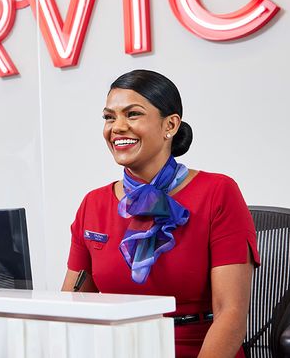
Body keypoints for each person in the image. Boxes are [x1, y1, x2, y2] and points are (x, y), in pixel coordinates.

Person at [61, 69, 259, 358]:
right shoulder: (93, 203)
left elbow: (231, 314)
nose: (117, 127)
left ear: (170, 125)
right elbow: (72, 308)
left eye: (133, 114)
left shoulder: (218, 191)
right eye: (109, 117)